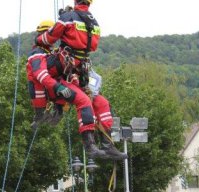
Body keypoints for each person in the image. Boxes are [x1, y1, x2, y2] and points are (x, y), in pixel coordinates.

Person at [35, 0, 127, 160]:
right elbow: (93, 46)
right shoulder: (94, 23)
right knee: (85, 101)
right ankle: (90, 144)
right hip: (67, 73)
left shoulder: (68, 18)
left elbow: (49, 38)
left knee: (102, 103)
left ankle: (107, 144)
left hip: (68, 70)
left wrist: (41, 39)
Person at [27, 20, 107, 159]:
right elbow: (40, 74)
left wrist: (78, 82)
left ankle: (56, 113)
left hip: (53, 86)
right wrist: (58, 86)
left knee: (82, 97)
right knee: (80, 100)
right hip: (45, 88)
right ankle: (41, 115)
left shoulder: (51, 52)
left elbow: (64, 72)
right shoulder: (37, 52)